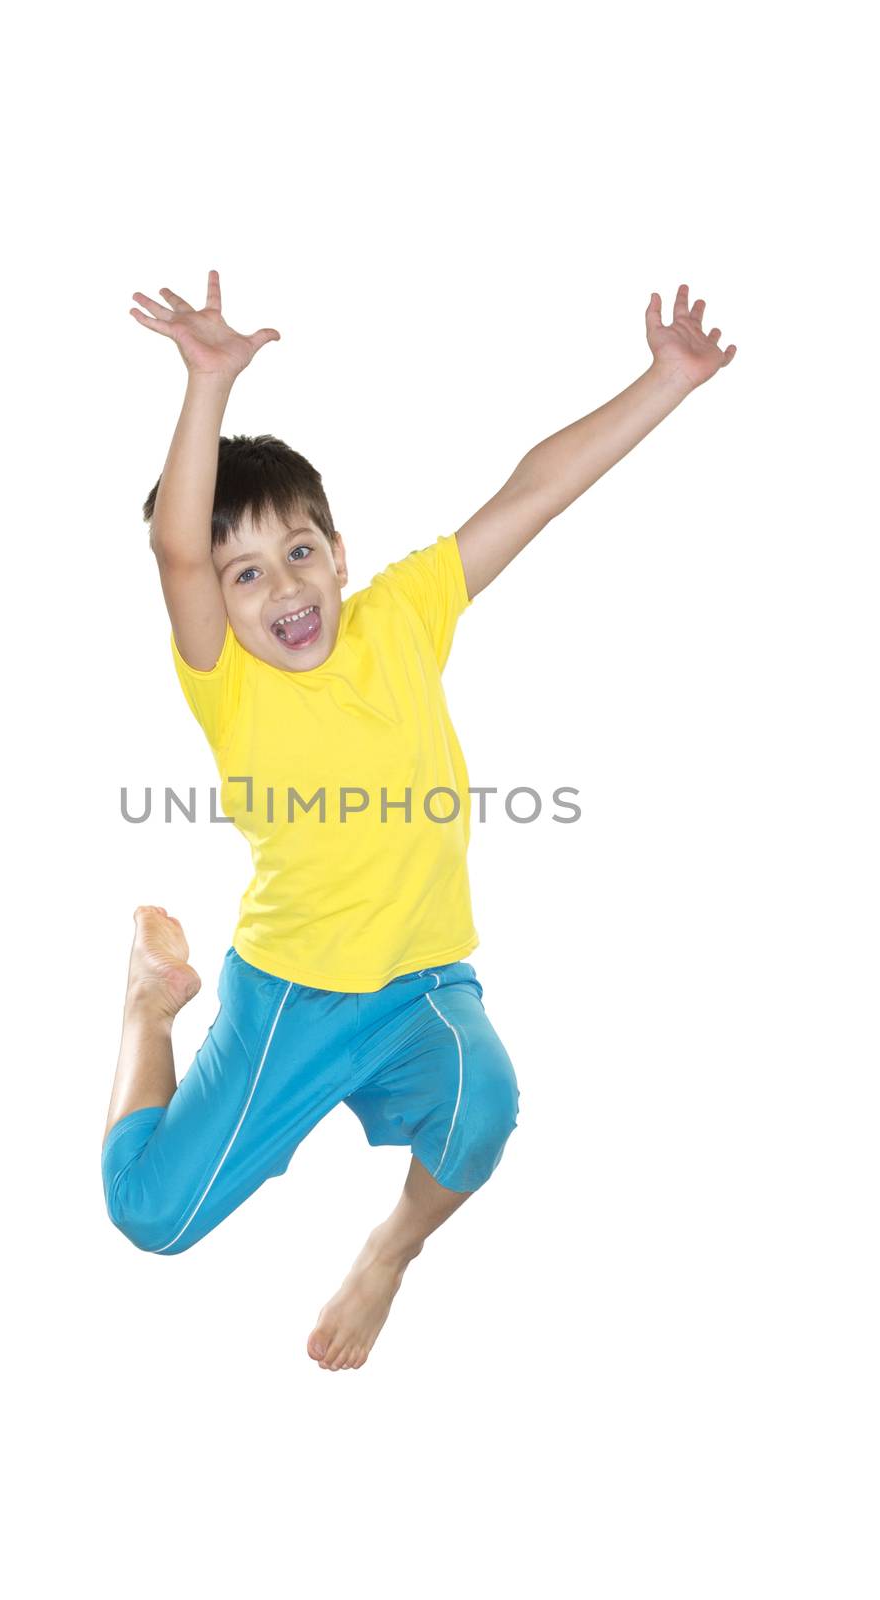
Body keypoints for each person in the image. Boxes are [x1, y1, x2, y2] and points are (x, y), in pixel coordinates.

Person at [102, 269, 736, 1371]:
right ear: (213, 599)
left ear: (338, 553)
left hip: (422, 979)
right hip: (293, 990)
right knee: (150, 1215)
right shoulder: (227, 681)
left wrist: (664, 382)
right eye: (242, 574)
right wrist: (207, 382)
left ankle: (386, 1254)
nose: (283, 589)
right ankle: (146, 1009)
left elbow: (530, 494)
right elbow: (173, 546)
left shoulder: (399, 615)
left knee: (483, 1111)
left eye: (299, 552)